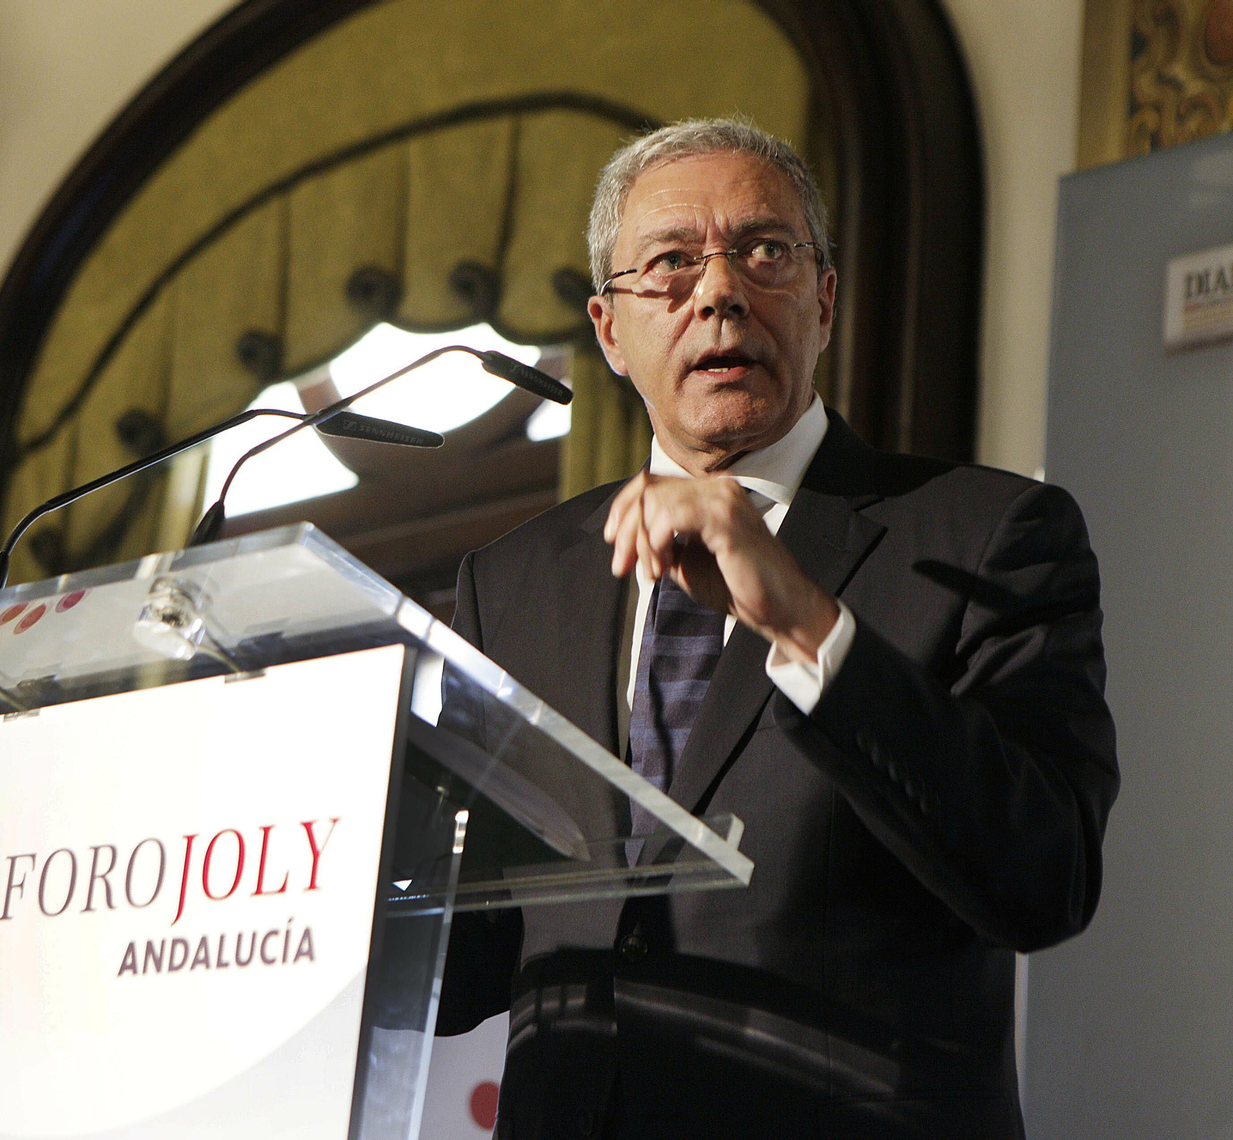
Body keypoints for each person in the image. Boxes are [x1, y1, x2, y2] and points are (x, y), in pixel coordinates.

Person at [435, 119, 1119, 1140]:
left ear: (824, 300)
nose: (717, 291)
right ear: (610, 331)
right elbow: (467, 964)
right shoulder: (512, 585)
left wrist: (803, 622)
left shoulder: (986, 535)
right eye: (668, 263)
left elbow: (1041, 881)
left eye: (763, 252)